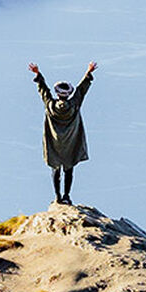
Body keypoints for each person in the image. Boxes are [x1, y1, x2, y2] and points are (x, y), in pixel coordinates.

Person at [28, 61, 96, 205]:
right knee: (69, 169)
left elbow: (43, 90)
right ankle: (67, 196)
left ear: (57, 93)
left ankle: (57, 196)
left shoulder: (50, 105)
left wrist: (38, 74)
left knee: (55, 169)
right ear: (68, 93)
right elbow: (81, 90)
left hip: (54, 143)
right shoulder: (74, 104)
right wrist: (88, 72)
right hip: (71, 143)